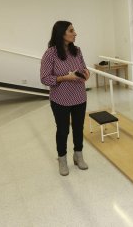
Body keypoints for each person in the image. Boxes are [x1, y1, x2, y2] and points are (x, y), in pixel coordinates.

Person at [40, 21, 90, 176]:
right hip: (60, 99)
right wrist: (65, 77)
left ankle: (78, 155)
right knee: (63, 131)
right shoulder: (50, 54)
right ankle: (62, 159)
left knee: (78, 128)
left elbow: (83, 68)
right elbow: (45, 79)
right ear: (61, 34)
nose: (75, 33)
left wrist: (86, 73)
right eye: (71, 30)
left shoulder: (78, 51)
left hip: (80, 97)